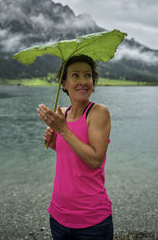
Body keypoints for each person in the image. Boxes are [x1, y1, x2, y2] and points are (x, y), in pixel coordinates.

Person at [36, 54, 113, 239]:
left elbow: (95, 159)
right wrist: (53, 142)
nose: (83, 81)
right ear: (64, 83)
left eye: (88, 75)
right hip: (58, 215)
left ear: (93, 82)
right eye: (75, 75)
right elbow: (71, 154)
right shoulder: (62, 113)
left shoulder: (98, 113)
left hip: (92, 220)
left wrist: (62, 130)